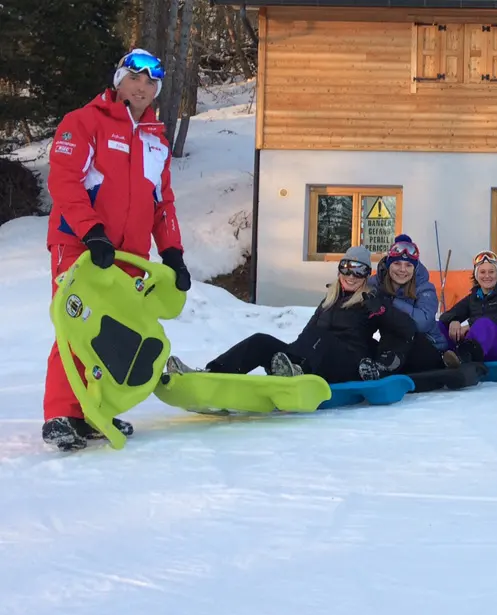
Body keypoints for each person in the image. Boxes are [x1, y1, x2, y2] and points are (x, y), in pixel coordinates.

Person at [42, 48, 192, 451]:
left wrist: (173, 253)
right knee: (77, 323)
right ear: (118, 81)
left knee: (117, 334)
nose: (142, 88)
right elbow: (64, 181)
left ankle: (95, 410)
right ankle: (62, 413)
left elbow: (163, 202)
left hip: (128, 256)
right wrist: (91, 231)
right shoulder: (84, 122)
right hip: (80, 245)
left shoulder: (155, 140)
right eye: (135, 78)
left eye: (150, 83)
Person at [167, 247, 405, 383]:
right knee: (261, 341)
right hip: (311, 356)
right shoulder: (330, 298)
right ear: (339, 269)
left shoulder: (372, 301)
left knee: (323, 338)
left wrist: (382, 312)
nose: (351, 276)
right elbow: (308, 334)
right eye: (346, 268)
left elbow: (404, 330)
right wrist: (285, 351)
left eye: (359, 270)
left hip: (345, 365)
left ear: (366, 274)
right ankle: (211, 375)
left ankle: (295, 370)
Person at [358, 235, 449, 380]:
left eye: (408, 265)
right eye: (397, 264)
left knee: (403, 330)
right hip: (393, 346)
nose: (402, 270)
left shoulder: (425, 288)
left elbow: (422, 323)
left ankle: (382, 369)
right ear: (389, 265)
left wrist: (390, 303)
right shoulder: (376, 285)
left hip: (427, 347)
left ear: (415, 268)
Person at [439, 251, 497, 364]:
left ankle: (464, 358)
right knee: (439, 326)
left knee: (484, 324)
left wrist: (470, 324)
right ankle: (444, 358)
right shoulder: (474, 297)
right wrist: (453, 320)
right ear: (476, 275)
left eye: (491, 272)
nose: (487, 276)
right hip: (479, 350)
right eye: (482, 272)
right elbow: (445, 316)